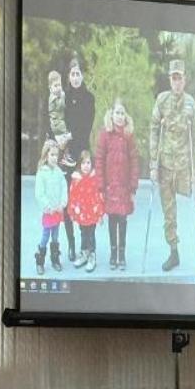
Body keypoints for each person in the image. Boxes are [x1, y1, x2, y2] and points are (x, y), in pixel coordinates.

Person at [149, 59, 195, 272]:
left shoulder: (191, 103)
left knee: (190, 207)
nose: (177, 82)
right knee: (169, 212)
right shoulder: (162, 100)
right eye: (174, 78)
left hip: (183, 167)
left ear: (185, 79)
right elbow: (154, 130)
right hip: (164, 166)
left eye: (180, 78)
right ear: (170, 79)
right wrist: (153, 164)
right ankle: (173, 251)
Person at [95, 99, 139, 271]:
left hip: (124, 187)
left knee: (122, 219)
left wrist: (133, 186)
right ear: (111, 115)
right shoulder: (105, 134)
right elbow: (99, 160)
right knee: (112, 219)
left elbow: (134, 161)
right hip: (110, 186)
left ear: (125, 116)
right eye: (117, 113)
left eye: (122, 113)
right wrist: (100, 185)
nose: (120, 116)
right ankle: (113, 254)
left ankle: (122, 254)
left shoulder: (129, 135)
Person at [61, 59, 96, 262]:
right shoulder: (63, 97)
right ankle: (71, 245)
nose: (75, 78)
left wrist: (72, 139)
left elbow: (86, 127)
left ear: (83, 76)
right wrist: (62, 145)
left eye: (78, 74)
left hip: (81, 154)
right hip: (65, 154)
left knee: (85, 201)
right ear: (69, 76)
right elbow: (57, 123)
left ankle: (87, 246)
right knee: (67, 202)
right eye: (72, 74)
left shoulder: (89, 98)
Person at [33, 140, 68, 275]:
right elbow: (39, 193)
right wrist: (48, 206)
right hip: (48, 212)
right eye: (52, 155)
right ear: (46, 155)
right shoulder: (42, 173)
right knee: (45, 235)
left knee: (55, 236)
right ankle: (40, 261)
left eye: (56, 155)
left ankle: (55, 259)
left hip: (57, 210)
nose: (54, 158)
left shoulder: (59, 172)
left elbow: (64, 188)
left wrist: (62, 203)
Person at [68, 150, 104, 273]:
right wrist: (72, 212)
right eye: (83, 163)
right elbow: (72, 196)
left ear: (92, 164)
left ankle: (92, 256)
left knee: (91, 234)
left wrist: (100, 214)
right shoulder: (76, 179)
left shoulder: (95, 179)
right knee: (83, 233)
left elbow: (99, 197)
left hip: (92, 213)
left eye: (88, 163)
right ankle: (84, 253)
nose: (86, 166)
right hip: (81, 214)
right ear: (79, 164)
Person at [46, 70, 75, 167]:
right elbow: (61, 106)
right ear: (50, 88)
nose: (58, 88)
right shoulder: (53, 98)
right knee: (67, 137)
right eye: (55, 86)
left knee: (65, 141)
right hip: (57, 124)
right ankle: (63, 157)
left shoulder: (58, 95)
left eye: (59, 85)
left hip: (60, 122)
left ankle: (65, 156)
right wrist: (63, 96)